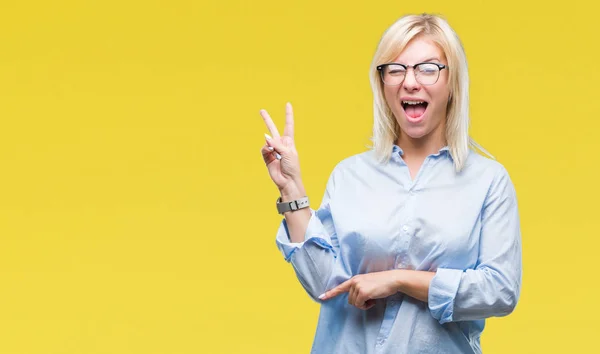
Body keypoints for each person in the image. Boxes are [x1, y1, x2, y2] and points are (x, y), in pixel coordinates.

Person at [258, 13, 522, 354]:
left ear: (452, 81)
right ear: (382, 84)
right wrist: (290, 188)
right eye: (396, 69)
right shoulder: (349, 175)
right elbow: (325, 285)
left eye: (427, 68)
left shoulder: (488, 181)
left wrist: (399, 280)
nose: (409, 82)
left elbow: (500, 291)